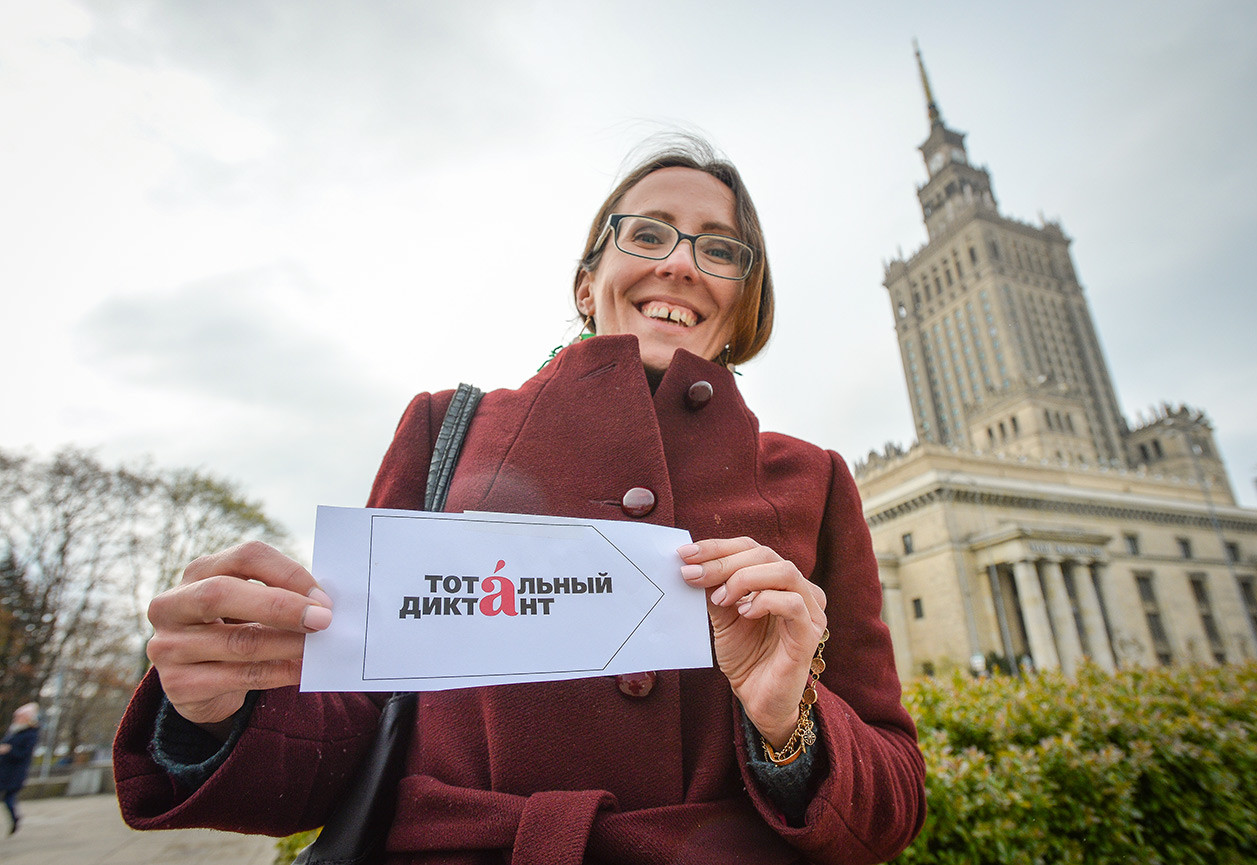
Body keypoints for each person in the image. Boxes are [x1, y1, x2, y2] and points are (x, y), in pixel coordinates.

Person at [113, 139, 926, 864]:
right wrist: (215, 711)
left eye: (719, 250)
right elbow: (343, 735)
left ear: (741, 306)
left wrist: (792, 726)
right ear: (586, 282)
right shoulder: (445, 430)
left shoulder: (813, 478)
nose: (680, 263)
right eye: (648, 233)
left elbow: (893, 803)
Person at [0, 702, 40, 835]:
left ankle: (15, 819)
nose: (16, 719)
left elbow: (24, 754)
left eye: (19, 717)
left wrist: (9, 750)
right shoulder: (14, 731)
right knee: (8, 799)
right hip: (4, 770)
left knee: (9, 798)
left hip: (15, 773)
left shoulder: (30, 734)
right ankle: (15, 818)